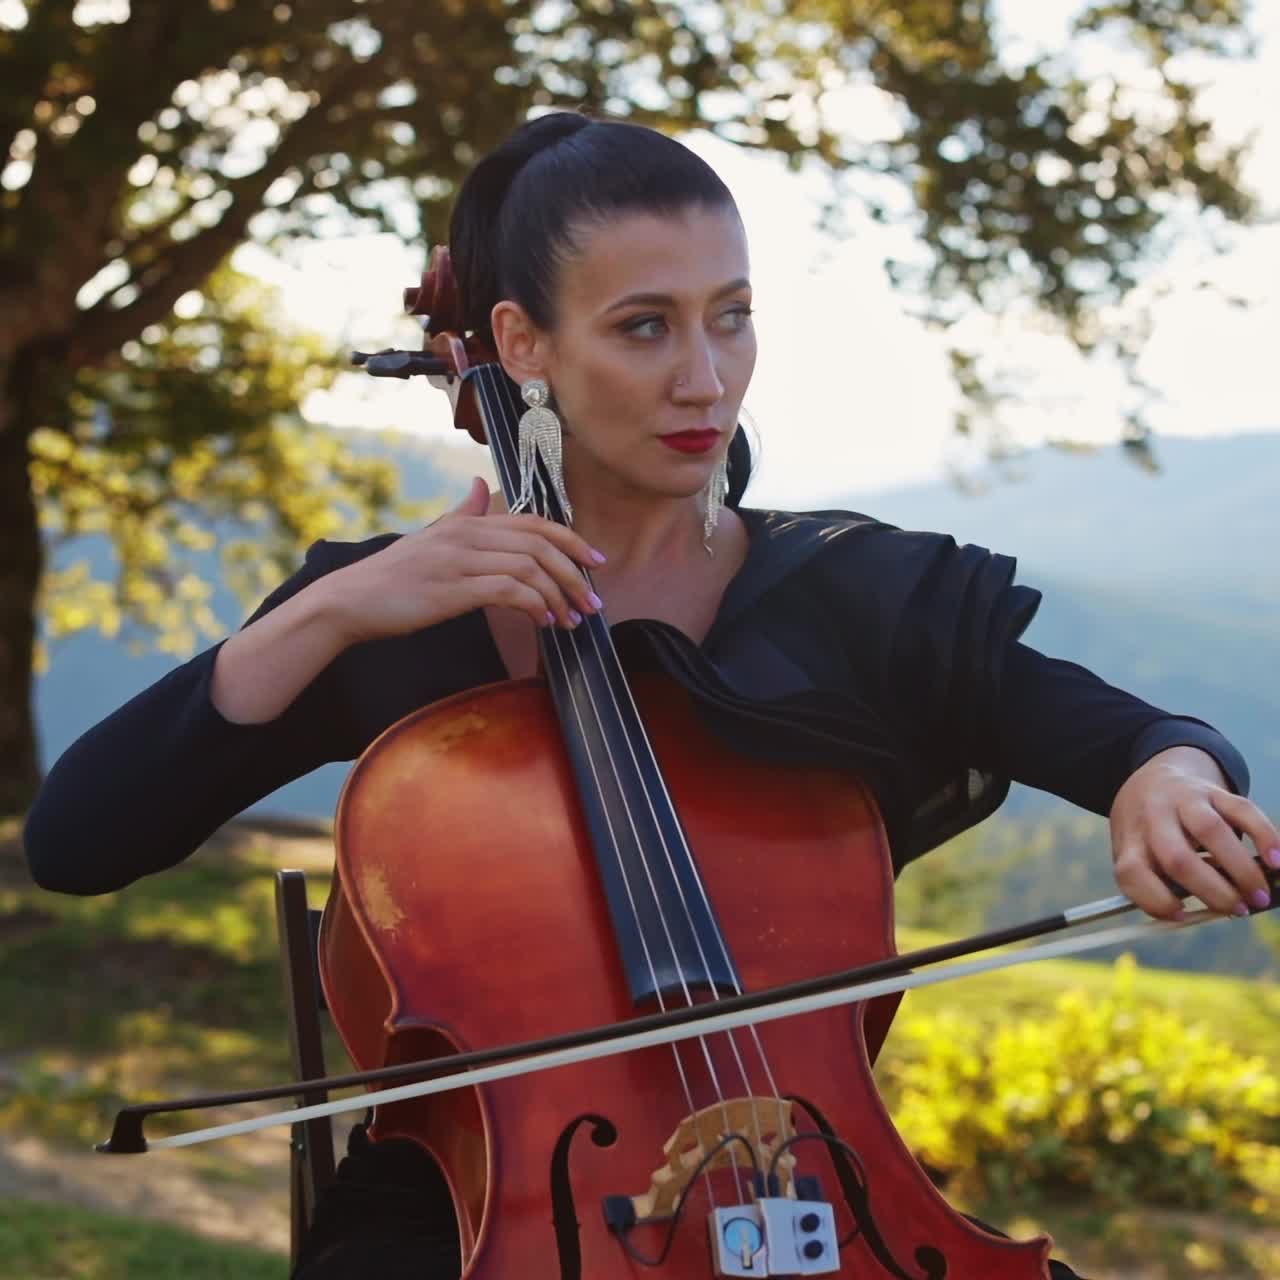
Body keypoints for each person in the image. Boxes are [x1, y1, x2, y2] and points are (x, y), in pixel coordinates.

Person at [23, 111, 1277, 1280]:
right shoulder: (395, 612)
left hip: (809, 1196)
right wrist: (329, 610)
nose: (704, 377)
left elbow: (1132, 735)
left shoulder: (852, 593)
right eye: (643, 326)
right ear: (520, 344)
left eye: (728, 317)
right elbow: (82, 839)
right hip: (470, 1220)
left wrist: (1165, 778)